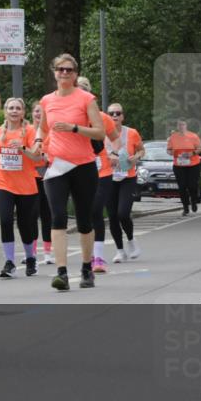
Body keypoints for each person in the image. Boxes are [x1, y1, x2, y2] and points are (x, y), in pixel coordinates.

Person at [37, 54, 106, 292]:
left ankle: (87, 268)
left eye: (69, 70)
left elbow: (99, 133)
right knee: (57, 217)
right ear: (54, 72)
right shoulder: (47, 100)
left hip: (83, 166)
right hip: (57, 166)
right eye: (60, 69)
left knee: (84, 219)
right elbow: (43, 128)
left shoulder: (86, 99)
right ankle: (62, 273)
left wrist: (74, 128)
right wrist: (38, 140)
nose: (64, 73)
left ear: (75, 74)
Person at [0, 98, 43, 278]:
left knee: (25, 225)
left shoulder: (31, 131)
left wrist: (23, 148)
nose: (14, 111)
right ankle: (9, 262)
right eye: (11, 108)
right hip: (3, 183)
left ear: (23, 112)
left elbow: (37, 157)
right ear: (5, 111)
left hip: (26, 186)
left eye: (18, 108)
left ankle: (30, 257)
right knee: (5, 220)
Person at [75, 77, 117, 273]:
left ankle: (98, 258)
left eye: (84, 89)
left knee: (96, 210)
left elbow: (115, 139)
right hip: (79, 171)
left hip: (102, 171)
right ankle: (88, 256)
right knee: (84, 214)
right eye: (78, 89)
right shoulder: (70, 118)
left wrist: (115, 153)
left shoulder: (102, 117)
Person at [106, 103, 145, 259]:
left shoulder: (132, 133)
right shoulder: (102, 135)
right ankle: (120, 251)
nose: (114, 116)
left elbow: (141, 150)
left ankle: (130, 240)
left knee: (123, 213)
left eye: (118, 113)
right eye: (111, 113)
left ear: (122, 116)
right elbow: (97, 155)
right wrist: (111, 158)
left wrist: (136, 157)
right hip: (108, 178)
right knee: (112, 216)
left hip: (127, 178)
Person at [30, 100, 54, 264]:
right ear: (31, 113)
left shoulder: (50, 131)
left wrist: (47, 157)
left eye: (42, 111)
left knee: (47, 215)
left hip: (48, 175)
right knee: (31, 216)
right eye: (36, 111)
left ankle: (47, 253)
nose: (39, 114)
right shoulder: (26, 131)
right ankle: (30, 252)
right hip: (30, 177)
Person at [167, 119, 201, 216]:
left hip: (193, 165)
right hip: (179, 165)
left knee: (192, 186)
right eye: (179, 125)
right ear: (177, 126)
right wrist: (172, 152)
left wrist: (192, 153)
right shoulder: (173, 137)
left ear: (186, 125)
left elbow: (200, 148)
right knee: (182, 187)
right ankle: (185, 207)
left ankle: (194, 201)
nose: (181, 127)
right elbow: (168, 150)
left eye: (183, 124)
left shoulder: (193, 136)